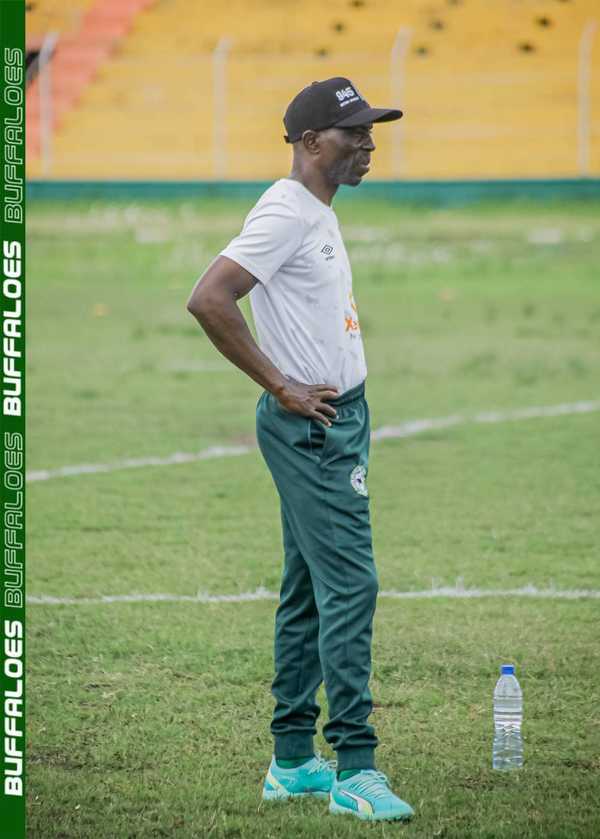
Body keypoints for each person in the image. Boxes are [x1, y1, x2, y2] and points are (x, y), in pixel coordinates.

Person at [186, 77, 414, 823]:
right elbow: (210, 297)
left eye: (372, 131)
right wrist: (282, 385)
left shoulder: (315, 208)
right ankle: (355, 765)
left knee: (310, 586)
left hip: (339, 416)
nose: (369, 144)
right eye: (355, 133)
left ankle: (291, 760)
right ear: (310, 142)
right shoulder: (285, 211)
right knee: (352, 584)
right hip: (314, 425)